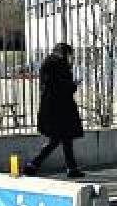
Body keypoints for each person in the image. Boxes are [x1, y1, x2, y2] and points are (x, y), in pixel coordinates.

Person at [22, 42, 85, 178]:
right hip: (60, 109)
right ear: (64, 53)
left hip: (52, 108)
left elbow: (51, 86)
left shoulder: (48, 64)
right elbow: (62, 88)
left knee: (63, 139)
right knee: (58, 139)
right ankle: (33, 164)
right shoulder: (59, 65)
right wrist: (74, 85)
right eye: (69, 55)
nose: (70, 58)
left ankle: (71, 168)